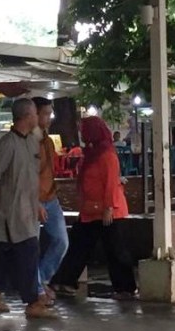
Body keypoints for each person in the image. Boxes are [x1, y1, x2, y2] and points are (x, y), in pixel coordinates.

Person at [0, 98, 53, 319]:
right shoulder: (8, 144)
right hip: (12, 214)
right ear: (26, 117)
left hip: (28, 210)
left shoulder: (31, 142)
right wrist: (0, 205)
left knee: (12, 256)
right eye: (34, 114)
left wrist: (37, 203)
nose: (37, 118)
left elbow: (30, 178)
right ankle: (32, 301)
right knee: (28, 253)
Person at [53, 116, 137, 300]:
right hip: (91, 211)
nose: (82, 133)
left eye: (84, 130)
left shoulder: (107, 154)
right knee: (80, 246)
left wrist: (108, 207)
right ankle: (64, 281)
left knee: (116, 250)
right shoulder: (91, 154)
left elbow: (110, 183)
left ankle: (126, 288)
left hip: (109, 212)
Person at [32, 97, 69, 305]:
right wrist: (35, 201)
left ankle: (42, 279)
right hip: (35, 199)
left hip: (51, 198)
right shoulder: (30, 141)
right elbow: (28, 174)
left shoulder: (46, 139)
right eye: (45, 113)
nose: (49, 118)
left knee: (62, 241)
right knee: (32, 247)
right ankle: (37, 289)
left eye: (50, 113)